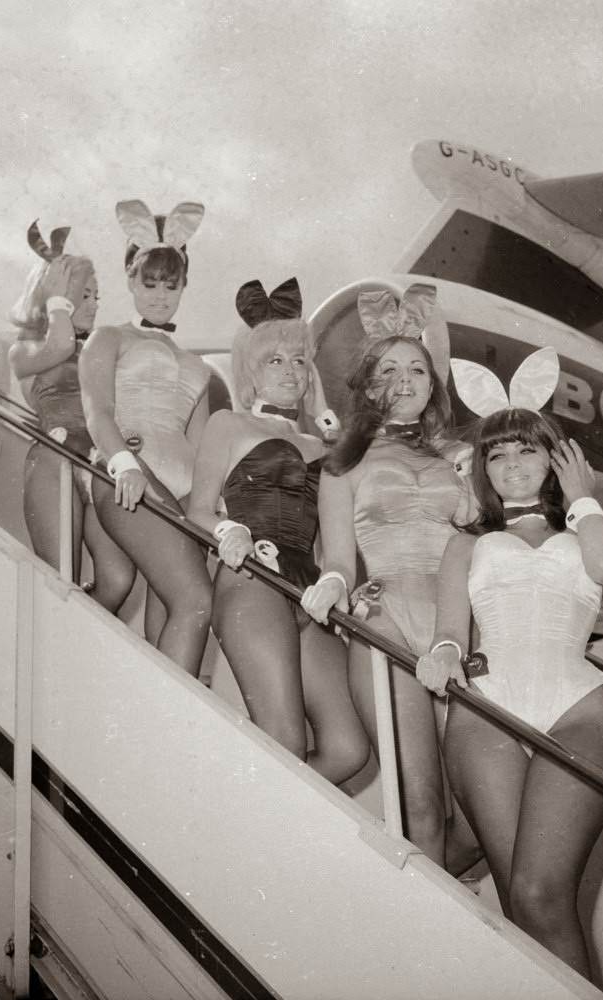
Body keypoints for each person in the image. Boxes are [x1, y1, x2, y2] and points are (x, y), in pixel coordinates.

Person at [415, 346, 603, 982]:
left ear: (555, 458)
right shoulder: (467, 542)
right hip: (488, 710)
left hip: (576, 709)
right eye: (497, 453)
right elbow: (449, 630)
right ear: (482, 468)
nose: (511, 464)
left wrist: (585, 496)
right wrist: (445, 654)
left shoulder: (583, 532)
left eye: (527, 450)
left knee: (542, 893)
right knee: (516, 901)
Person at [301, 284, 478, 866]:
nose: (405, 379)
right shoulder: (344, 462)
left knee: (483, 809)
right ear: (369, 383)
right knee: (421, 804)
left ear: (434, 383)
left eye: (418, 368)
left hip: (460, 622)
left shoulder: (459, 457)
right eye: (390, 368)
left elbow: (482, 538)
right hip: (387, 622)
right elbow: (337, 558)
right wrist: (331, 583)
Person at [188, 277, 367, 782]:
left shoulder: (327, 450)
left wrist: (336, 580)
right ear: (250, 371)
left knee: (349, 749)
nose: (290, 372)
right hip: (252, 582)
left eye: (299, 361)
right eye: (275, 360)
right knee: (284, 738)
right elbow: (199, 510)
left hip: (308, 591)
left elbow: (336, 546)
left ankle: (246, 809)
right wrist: (227, 533)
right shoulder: (229, 424)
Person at [79, 199, 212, 675]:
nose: (160, 295)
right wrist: (123, 463)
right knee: (195, 600)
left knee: (169, 618)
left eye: (170, 285)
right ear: (131, 281)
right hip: (128, 475)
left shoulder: (198, 365)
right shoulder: (108, 338)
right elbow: (97, 410)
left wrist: (212, 513)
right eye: (149, 283)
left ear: (183, 287)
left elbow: (202, 453)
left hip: (182, 493)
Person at [7, 221, 134, 610]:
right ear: (55, 298)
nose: (95, 304)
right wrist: (57, 298)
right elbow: (59, 344)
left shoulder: (98, 350)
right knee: (62, 576)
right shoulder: (24, 349)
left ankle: (72, 636)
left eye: (97, 295)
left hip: (95, 468)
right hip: (54, 461)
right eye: (84, 295)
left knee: (118, 579)